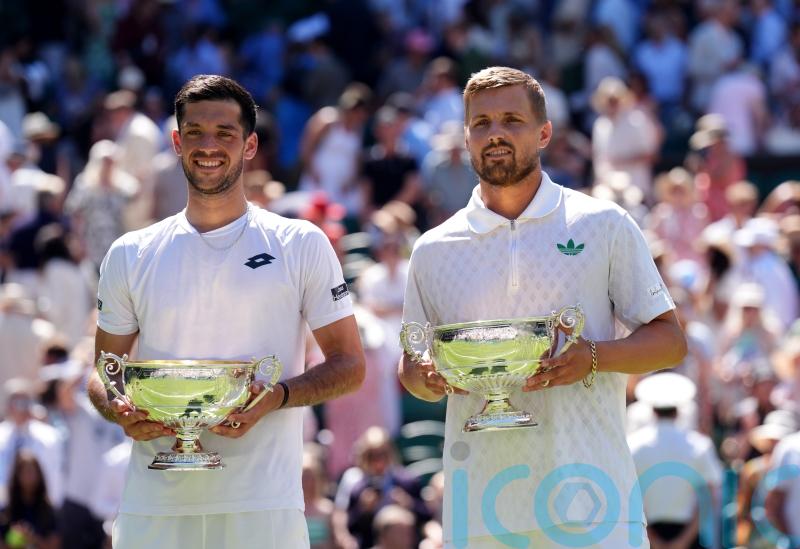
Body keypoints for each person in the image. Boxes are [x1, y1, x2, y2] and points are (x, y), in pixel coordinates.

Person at [398, 66, 687, 548]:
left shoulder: (604, 223)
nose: (495, 134)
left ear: (544, 132)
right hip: (479, 510)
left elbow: (670, 341)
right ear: (467, 137)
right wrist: (424, 378)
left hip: (595, 500)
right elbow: (412, 367)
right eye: (482, 123)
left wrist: (591, 358)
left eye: (511, 120)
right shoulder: (432, 248)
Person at [86, 75, 366, 549]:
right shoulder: (129, 253)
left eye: (225, 133)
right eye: (194, 132)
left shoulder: (300, 244)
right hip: (154, 506)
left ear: (250, 144)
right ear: (177, 142)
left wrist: (276, 397)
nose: (208, 146)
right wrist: (117, 408)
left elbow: (350, 365)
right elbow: (103, 372)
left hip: (264, 506)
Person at [627, 373, 723, 549]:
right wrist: (683, 541)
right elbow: (711, 496)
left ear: (652, 409)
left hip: (644, 535)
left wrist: (653, 540)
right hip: (688, 537)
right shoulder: (699, 445)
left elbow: (627, 495)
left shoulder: (633, 445)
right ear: (679, 410)